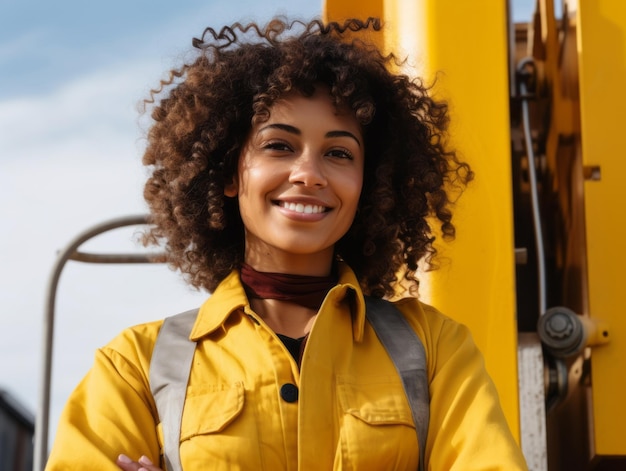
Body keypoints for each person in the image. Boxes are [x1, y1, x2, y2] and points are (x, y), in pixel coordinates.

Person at [45, 17, 528, 470]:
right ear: (229, 173)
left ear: (370, 184)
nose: (309, 175)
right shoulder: (134, 366)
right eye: (279, 145)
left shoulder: (436, 350)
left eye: (339, 153)